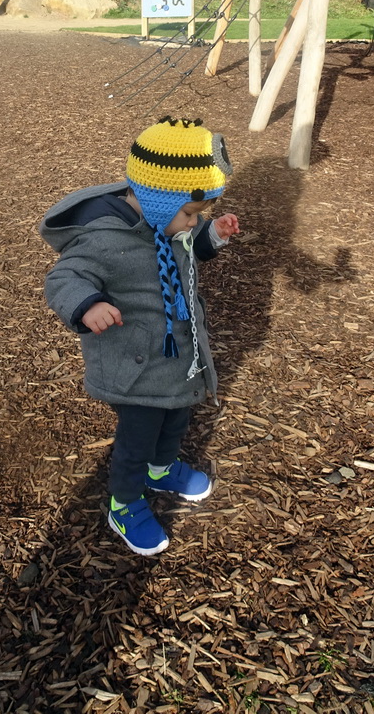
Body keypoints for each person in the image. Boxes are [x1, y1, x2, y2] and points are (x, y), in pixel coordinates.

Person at [39, 116, 240, 556]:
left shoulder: (164, 224)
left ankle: (162, 467)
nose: (191, 223)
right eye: (190, 214)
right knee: (137, 437)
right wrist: (87, 304)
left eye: (197, 216)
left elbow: (187, 250)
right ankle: (125, 502)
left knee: (177, 417)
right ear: (158, 201)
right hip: (136, 365)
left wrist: (212, 236)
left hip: (176, 358)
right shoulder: (104, 239)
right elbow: (63, 278)